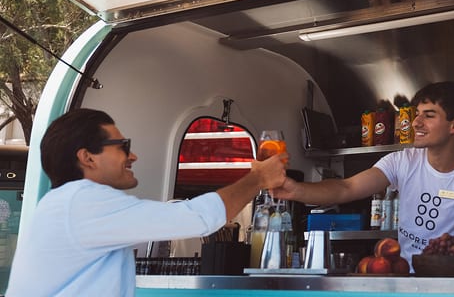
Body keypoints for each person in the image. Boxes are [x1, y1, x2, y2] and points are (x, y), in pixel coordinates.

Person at [6, 108, 287, 297]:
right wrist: (258, 179)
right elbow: (198, 218)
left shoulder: (67, 203)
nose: (133, 156)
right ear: (87, 157)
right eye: (123, 146)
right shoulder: (83, 201)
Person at [272, 81, 454, 267]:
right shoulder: (402, 161)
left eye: (429, 115)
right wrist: (297, 190)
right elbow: (347, 188)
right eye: (417, 114)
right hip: (407, 280)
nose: (416, 123)